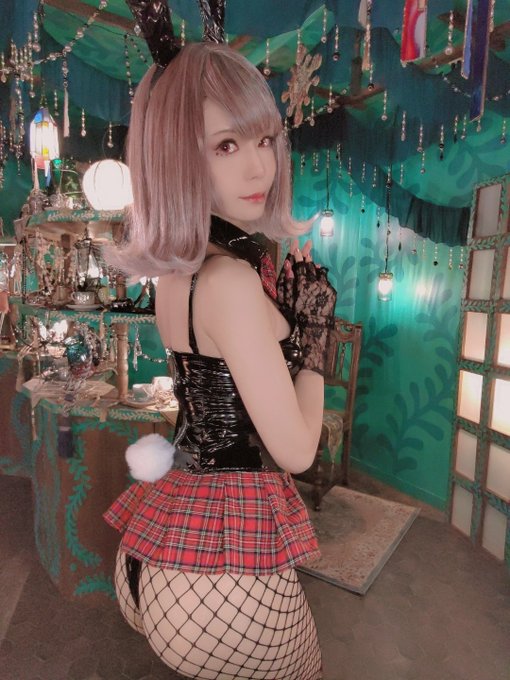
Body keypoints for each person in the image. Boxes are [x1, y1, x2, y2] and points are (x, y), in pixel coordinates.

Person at [104, 41, 336, 680]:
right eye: (226, 146)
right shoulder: (231, 280)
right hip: (221, 571)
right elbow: (297, 451)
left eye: (266, 140)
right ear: (176, 158)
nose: (259, 167)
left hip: (168, 534)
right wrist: (315, 339)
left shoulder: (178, 274)